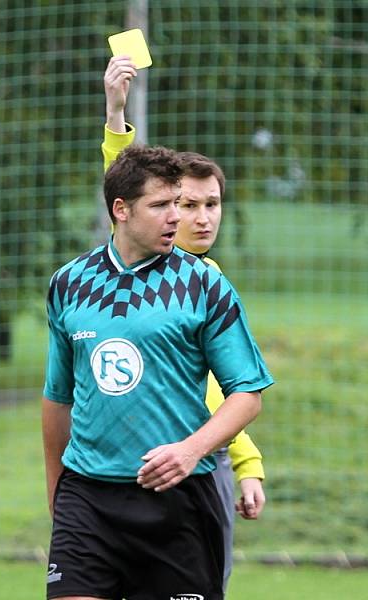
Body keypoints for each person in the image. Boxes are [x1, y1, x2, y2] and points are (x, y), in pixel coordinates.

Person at [42, 144, 274, 599]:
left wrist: (191, 451)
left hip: (180, 501)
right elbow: (58, 398)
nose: (176, 217)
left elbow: (247, 393)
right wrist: (58, 494)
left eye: (177, 204)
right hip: (89, 499)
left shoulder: (204, 283)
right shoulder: (69, 283)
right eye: (162, 205)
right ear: (121, 210)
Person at [102, 55, 266, 594]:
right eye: (185, 204)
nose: (199, 217)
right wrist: (116, 111)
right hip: (128, 457)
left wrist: (246, 464)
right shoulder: (148, 267)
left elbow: (230, 390)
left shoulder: (209, 279)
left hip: (202, 461)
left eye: (211, 204)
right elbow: (125, 186)